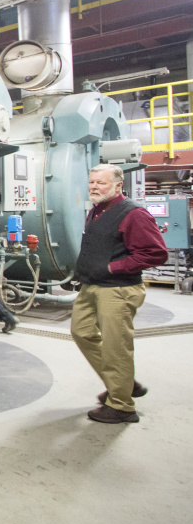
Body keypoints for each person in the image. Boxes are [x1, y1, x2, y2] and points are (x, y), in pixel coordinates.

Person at [71, 163, 168, 424]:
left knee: (117, 348)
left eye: (101, 183)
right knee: (81, 333)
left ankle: (122, 406)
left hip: (118, 290)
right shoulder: (97, 210)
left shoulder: (133, 214)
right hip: (92, 286)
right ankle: (123, 383)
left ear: (117, 186)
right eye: (92, 182)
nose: (94, 187)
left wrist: (113, 267)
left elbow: (155, 253)